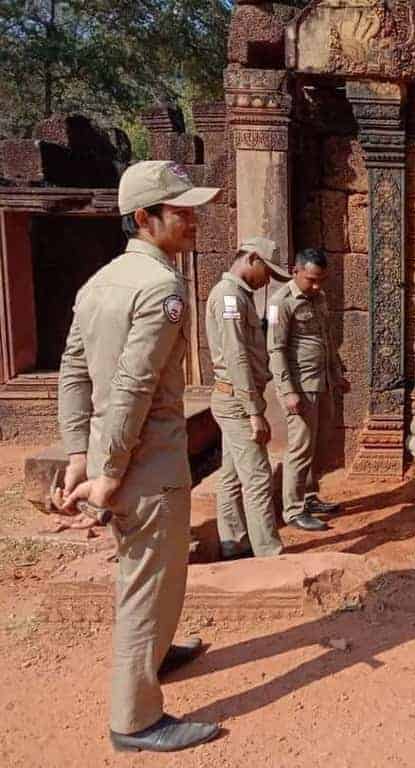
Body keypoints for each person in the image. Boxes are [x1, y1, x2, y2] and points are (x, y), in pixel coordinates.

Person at [55, 161, 220, 752]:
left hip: (119, 454)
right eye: (181, 211)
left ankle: (155, 652)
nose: (193, 219)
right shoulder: (161, 288)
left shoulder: (100, 283)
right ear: (145, 219)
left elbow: (73, 373)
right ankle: (136, 720)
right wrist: (106, 473)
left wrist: (80, 451)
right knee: (147, 582)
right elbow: (133, 384)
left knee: (153, 574)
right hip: (144, 464)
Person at [205, 236, 292, 559]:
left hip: (236, 398)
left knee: (231, 473)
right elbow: (236, 356)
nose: (267, 280)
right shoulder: (229, 297)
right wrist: (254, 410)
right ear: (251, 258)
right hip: (237, 402)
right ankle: (268, 551)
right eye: (267, 272)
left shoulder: (239, 297)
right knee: (257, 477)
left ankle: (233, 541)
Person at [268, 247, 344, 531]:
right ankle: (293, 509)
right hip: (300, 388)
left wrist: (337, 374)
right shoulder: (280, 303)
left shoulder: (319, 297)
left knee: (320, 441)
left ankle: (310, 496)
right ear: (295, 271)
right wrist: (287, 391)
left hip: (322, 382)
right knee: (300, 447)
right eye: (311, 279)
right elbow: (275, 350)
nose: (316, 286)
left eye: (321, 280)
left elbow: (326, 338)